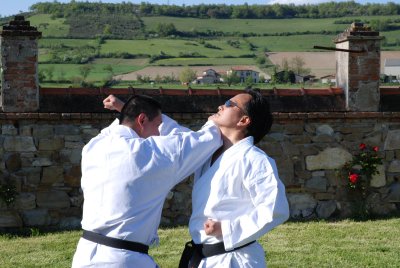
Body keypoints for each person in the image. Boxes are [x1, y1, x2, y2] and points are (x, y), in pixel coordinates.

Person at [72, 94, 222, 268]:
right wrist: (214, 124)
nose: (159, 133)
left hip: (84, 254)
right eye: (158, 126)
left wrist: (124, 107)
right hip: (124, 260)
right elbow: (201, 142)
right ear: (142, 119)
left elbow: (120, 125)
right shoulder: (148, 154)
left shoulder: (94, 146)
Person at [179, 89, 290, 268]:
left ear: (243, 120)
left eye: (230, 104)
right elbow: (177, 138)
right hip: (203, 257)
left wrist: (226, 228)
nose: (221, 106)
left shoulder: (255, 159)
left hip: (234, 259)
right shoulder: (207, 153)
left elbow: (276, 209)